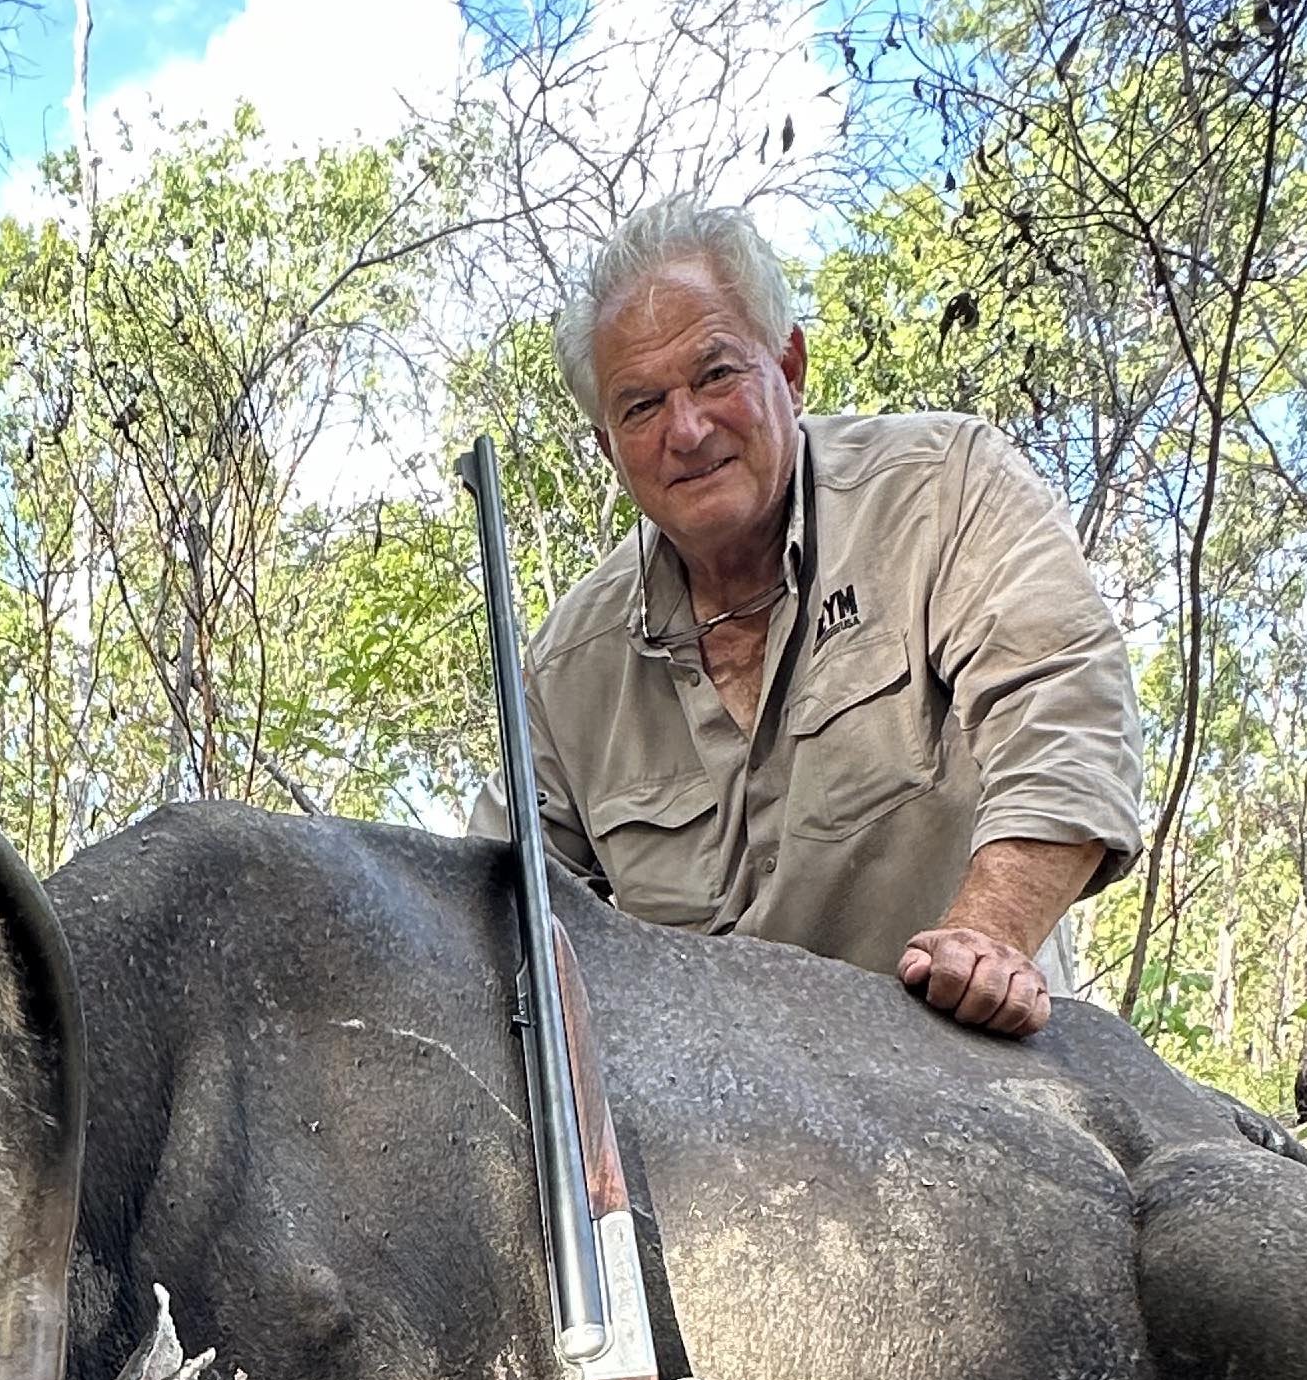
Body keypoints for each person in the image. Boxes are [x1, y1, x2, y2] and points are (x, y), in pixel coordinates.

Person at [474, 196, 1146, 1040]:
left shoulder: (943, 490)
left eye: (717, 374)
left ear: (788, 367)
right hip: (719, 1113)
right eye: (640, 406)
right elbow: (499, 905)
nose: (685, 430)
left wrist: (989, 939)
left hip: (969, 1062)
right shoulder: (568, 667)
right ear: (610, 448)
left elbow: (1067, 714)